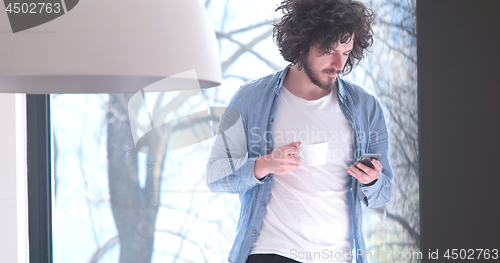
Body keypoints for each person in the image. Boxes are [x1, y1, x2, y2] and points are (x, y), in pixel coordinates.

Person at [206, 0, 394, 262]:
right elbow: (215, 175)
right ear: (302, 43)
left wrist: (372, 180)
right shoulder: (249, 98)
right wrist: (264, 164)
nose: (339, 63)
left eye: (346, 52)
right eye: (329, 51)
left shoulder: (367, 108)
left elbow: (383, 193)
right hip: (270, 253)